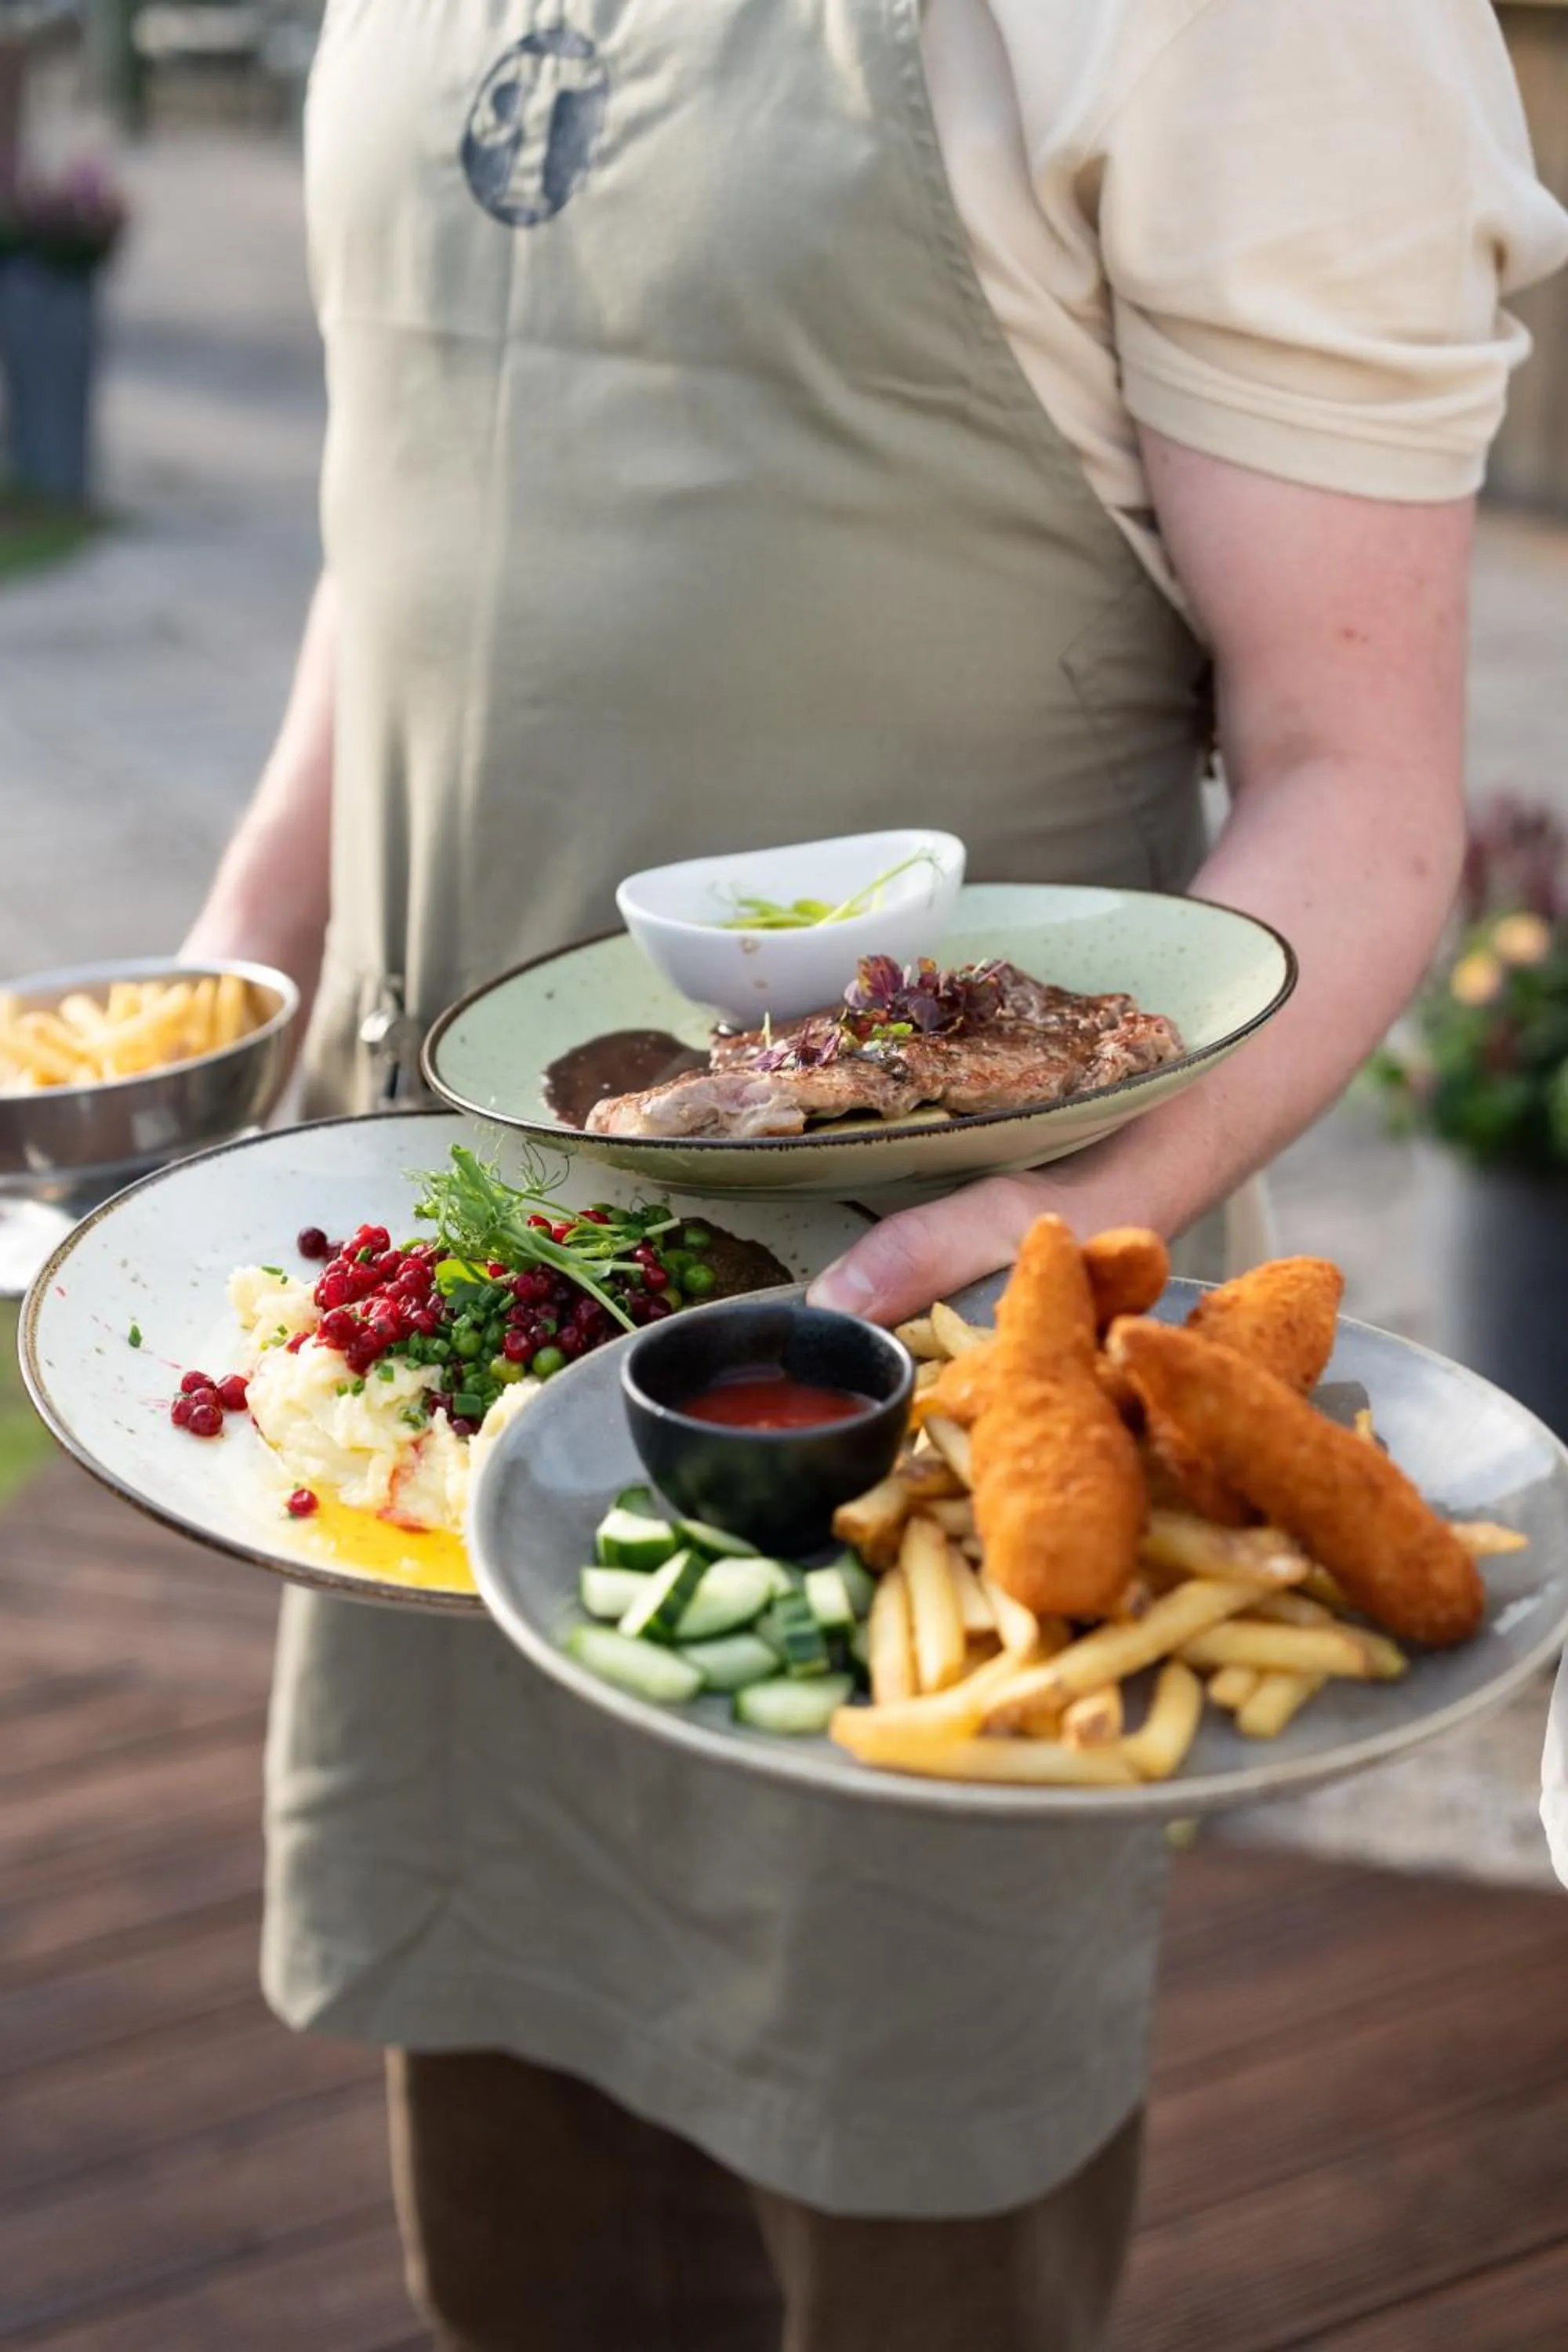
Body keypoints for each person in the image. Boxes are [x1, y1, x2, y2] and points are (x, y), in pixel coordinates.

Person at [183, 1, 1568, 2343]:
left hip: (906, 1413)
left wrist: (993, 1276)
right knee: (524, 2224)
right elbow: (421, 475)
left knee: (913, 2202)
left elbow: (1358, 778)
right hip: (449, 1342)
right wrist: (241, 950)